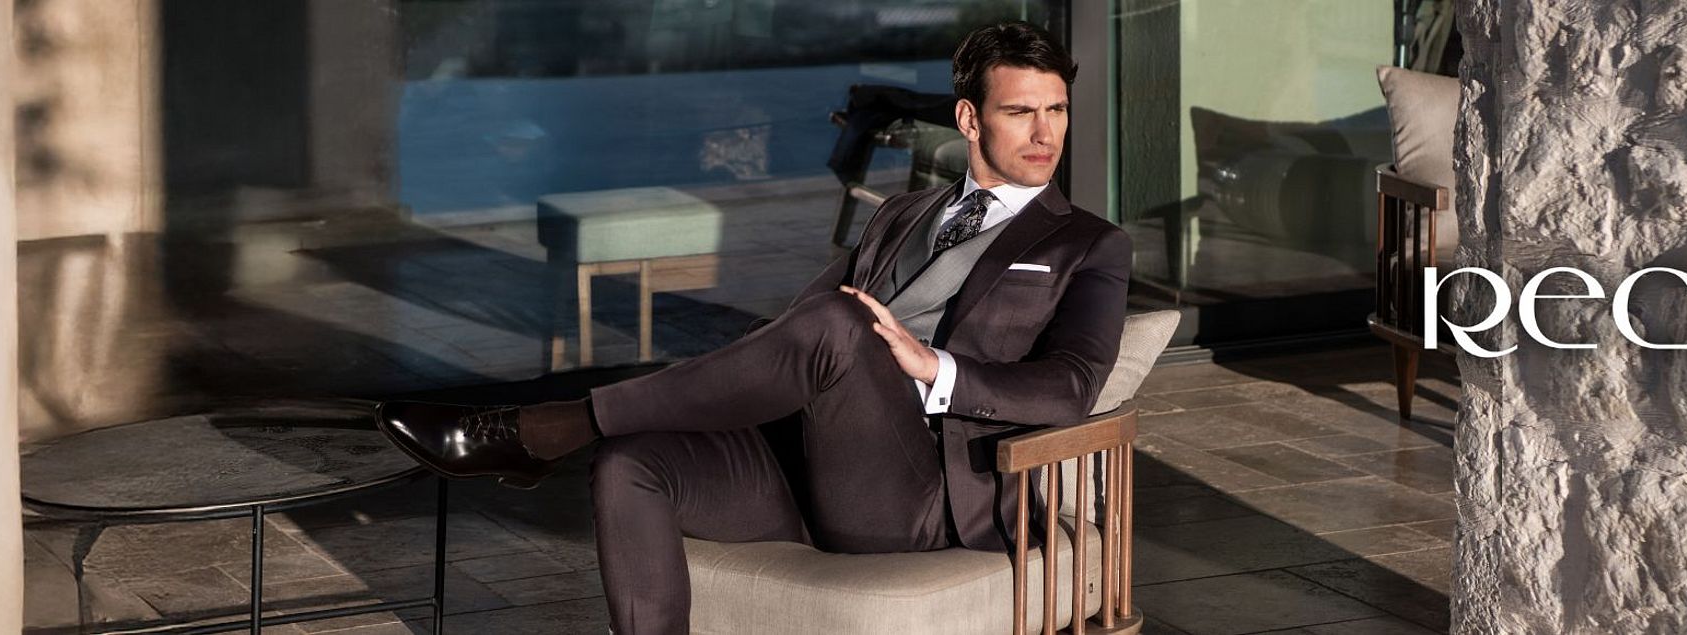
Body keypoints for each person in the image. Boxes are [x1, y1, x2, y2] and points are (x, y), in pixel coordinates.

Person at [374, 21, 1129, 635]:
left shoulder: (1086, 243)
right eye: (1020, 110)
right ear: (969, 118)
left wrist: (936, 369)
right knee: (631, 465)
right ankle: (585, 437)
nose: (1045, 131)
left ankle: (551, 428)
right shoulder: (902, 213)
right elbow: (800, 324)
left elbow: (1072, 385)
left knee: (839, 321)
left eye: (1056, 109)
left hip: (924, 496)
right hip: (803, 460)